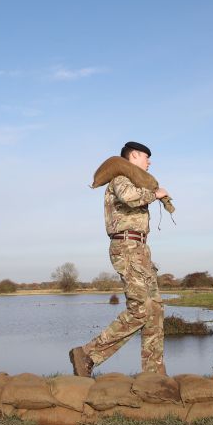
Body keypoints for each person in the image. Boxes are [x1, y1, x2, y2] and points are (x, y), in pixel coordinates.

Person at [69, 141, 170, 376]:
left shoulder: (133, 179)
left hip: (140, 249)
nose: (150, 162)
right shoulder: (120, 177)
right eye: (146, 156)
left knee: (154, 309)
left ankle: (153, 374)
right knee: (140, 310)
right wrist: (155, 194)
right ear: (134, 155)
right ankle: (87, 354)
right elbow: (129, 197)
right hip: (126, 246)